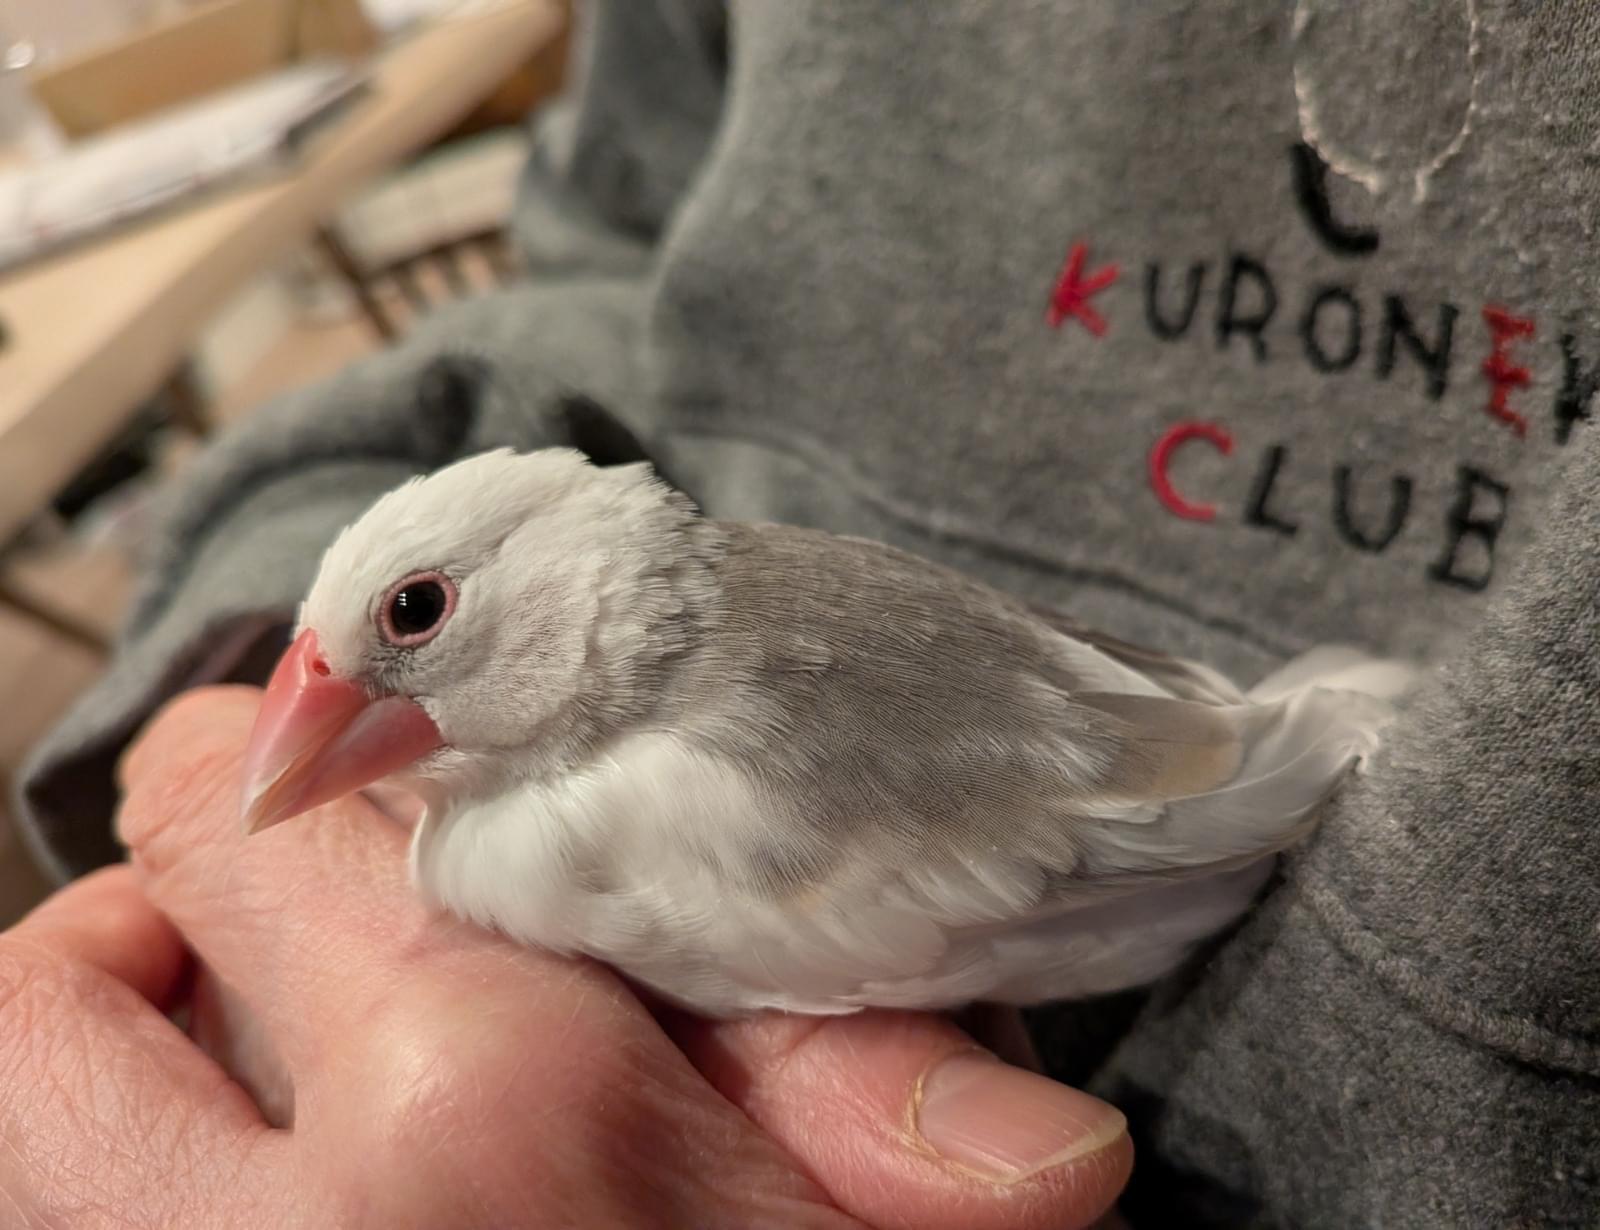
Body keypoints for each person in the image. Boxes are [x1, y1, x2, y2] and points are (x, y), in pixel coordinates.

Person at [10, 2, 1600, 1225]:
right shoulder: (611, 707)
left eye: (418, 615)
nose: (333, 708)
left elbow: (1151, 820)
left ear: (565, 574)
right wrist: (234, 686)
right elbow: (605, 251)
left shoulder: (650, 801)